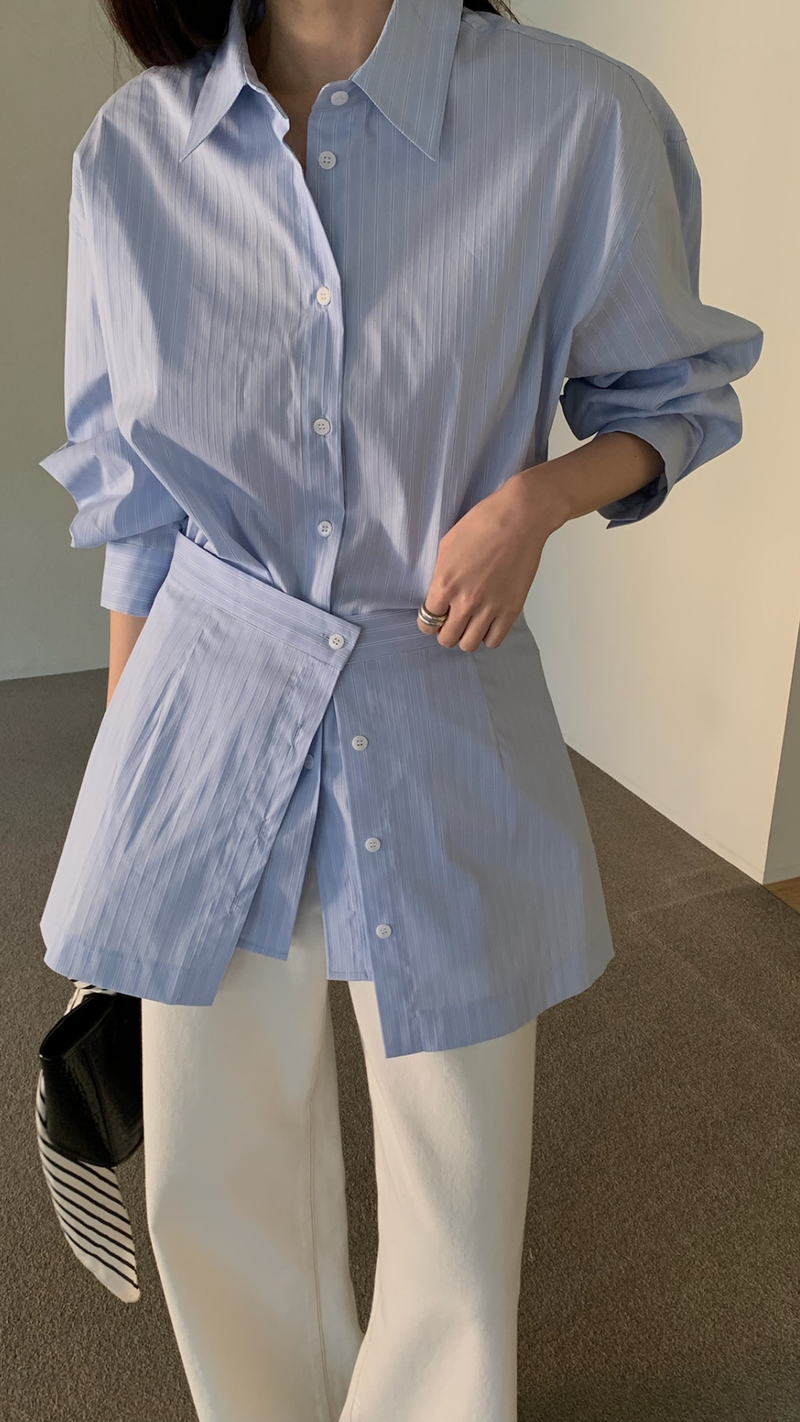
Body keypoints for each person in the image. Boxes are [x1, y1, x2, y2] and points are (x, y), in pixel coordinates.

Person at [37, 0, 763, 1416]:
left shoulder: (573, 116)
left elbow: (677, 394)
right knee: (210, 1177)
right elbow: (135, 512)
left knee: (458, 1188)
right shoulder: (130, 153)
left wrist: (537, 501)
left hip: (436, 689)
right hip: (204, 703)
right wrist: (129, 808)